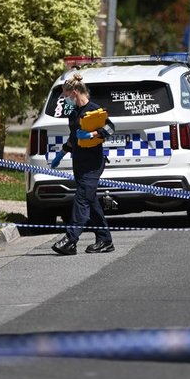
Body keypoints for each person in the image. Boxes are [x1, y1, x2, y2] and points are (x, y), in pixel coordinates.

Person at [51, 73, 116, 255]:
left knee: (81, 200)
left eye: (66, 95)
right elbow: (73, 138)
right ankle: (105, 240)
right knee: (91, 201)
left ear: (75, 92)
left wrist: (93, 135)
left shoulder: (94, 110)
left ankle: (70, 240)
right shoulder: (74, 113)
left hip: (93, 165)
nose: (65, 100)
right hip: (79, 163)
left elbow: (111, 127)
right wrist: (61, 153)